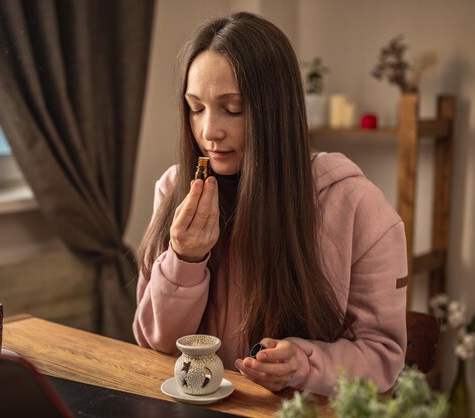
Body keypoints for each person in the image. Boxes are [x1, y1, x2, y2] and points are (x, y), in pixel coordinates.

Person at [132, 12, 407, 397]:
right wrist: (185, 259)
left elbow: (382, 357)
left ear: (275, 111)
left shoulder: (357, 207)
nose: (209, 131)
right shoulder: (175, 189)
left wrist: (304, 363)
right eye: (196, 108)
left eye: (233, 108)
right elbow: (158, 343)